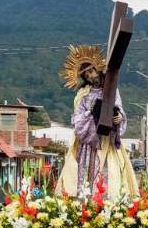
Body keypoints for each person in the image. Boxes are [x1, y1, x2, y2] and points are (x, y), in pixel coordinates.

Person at [54, 45, 138, 200]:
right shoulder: (83, 95)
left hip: (108, 141)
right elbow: (78, 122)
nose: (91, 76)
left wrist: (119, 118)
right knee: (88, 179)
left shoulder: (112, 89)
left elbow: (119, 108)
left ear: (98, 68)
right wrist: (90, 112)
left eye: (91, 71)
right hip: (89, 144)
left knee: (112, 177)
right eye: (86, 75)